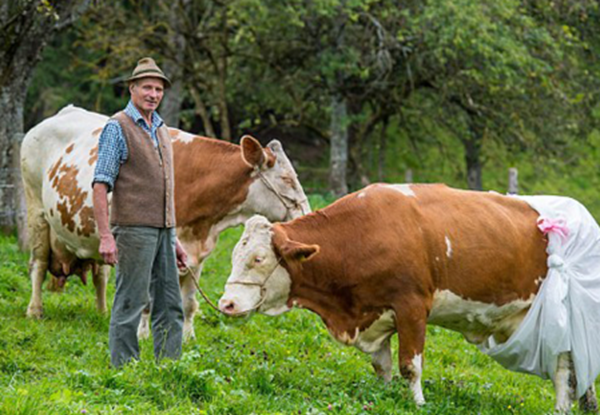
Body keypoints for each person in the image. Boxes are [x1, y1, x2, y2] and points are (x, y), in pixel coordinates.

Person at [92, 57, 187, 368]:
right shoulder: (116, 127)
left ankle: (168, 368)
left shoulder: (160, 128)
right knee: (131, 302)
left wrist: (174, 237)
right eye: (147, 87)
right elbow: (100, 184)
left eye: (158, 89)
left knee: (171, 304)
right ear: (132, 88)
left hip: (163, 230)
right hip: (132, 229)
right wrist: (106, 236)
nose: (153, 94)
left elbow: (164, 186)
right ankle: (124, 371)